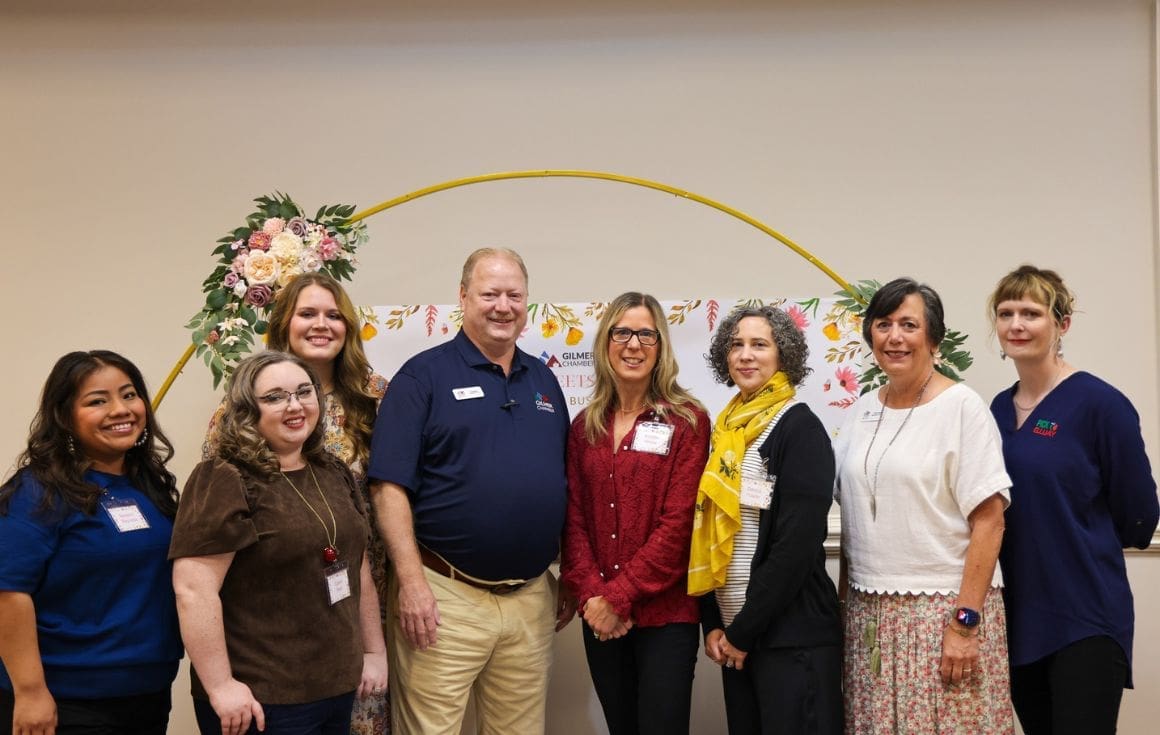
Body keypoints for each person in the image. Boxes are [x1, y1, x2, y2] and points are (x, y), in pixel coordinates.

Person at [367, 247, 573, 735]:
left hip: (530, 598)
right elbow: (388, 487)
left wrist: (568, 572)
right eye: (489, 294)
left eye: (514, 295)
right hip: (444, 597)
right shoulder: (422, 377)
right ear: (462, 297)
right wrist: (412, 584)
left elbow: (561, 481)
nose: (503, 306)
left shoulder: (544, 380)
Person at [203, 272, 390, 734]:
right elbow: (216, 518)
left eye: (333, 315)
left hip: (360, 594)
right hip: (275, 613)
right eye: (307, 313)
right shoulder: (240, 404)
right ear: (284, 323)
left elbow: (397, 490)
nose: (321, 324)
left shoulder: (375, 397)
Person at [833, 278, 1014, 734]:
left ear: (934, 339)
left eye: (909, 325)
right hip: (869, 616)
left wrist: (965, 625)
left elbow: (990, 522)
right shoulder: (860, 412)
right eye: (883, 324)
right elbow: (855, 520)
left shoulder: (962, 408)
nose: (894, 337)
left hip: (943, 615)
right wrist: (842, 606)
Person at [987, 265, 1158, 735]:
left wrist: (1079, 540)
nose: (1016, 324)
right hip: (1018, 614)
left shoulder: (1101, 404)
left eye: (1031, 313)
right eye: (1006, 313)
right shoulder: (997, 409)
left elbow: (1139, 517)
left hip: (1085, 614)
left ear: (1061, 324)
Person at [0, 350, 183, 735]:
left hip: (147, 693)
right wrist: (30, 692)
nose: (121, 410)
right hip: (65, 701)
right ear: (64, 417)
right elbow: (8, 592)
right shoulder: (38, 493)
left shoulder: (148, 486)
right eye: (97, 401)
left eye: (129, 395)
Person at [560, 292, 709, 735]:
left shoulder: (687, 422)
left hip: (666, 617)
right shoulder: (584, 427)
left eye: (646, 334)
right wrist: (593, 597)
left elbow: (678, 525)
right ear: (605, 342)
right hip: (599, 616)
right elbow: (574, 521)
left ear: (660, 346)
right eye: (622, 332)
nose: (633, 345)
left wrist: (617, 599)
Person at [689, 305, 843, 735]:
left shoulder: (800, 428)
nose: (745, 355)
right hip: (737, 636)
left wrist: (743, 631)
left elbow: (796, 546)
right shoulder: (726, 432)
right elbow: (706, 533)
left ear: (783, 355)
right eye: (736, 345)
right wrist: (714, 624)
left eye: (759, 344)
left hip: (791, 638)